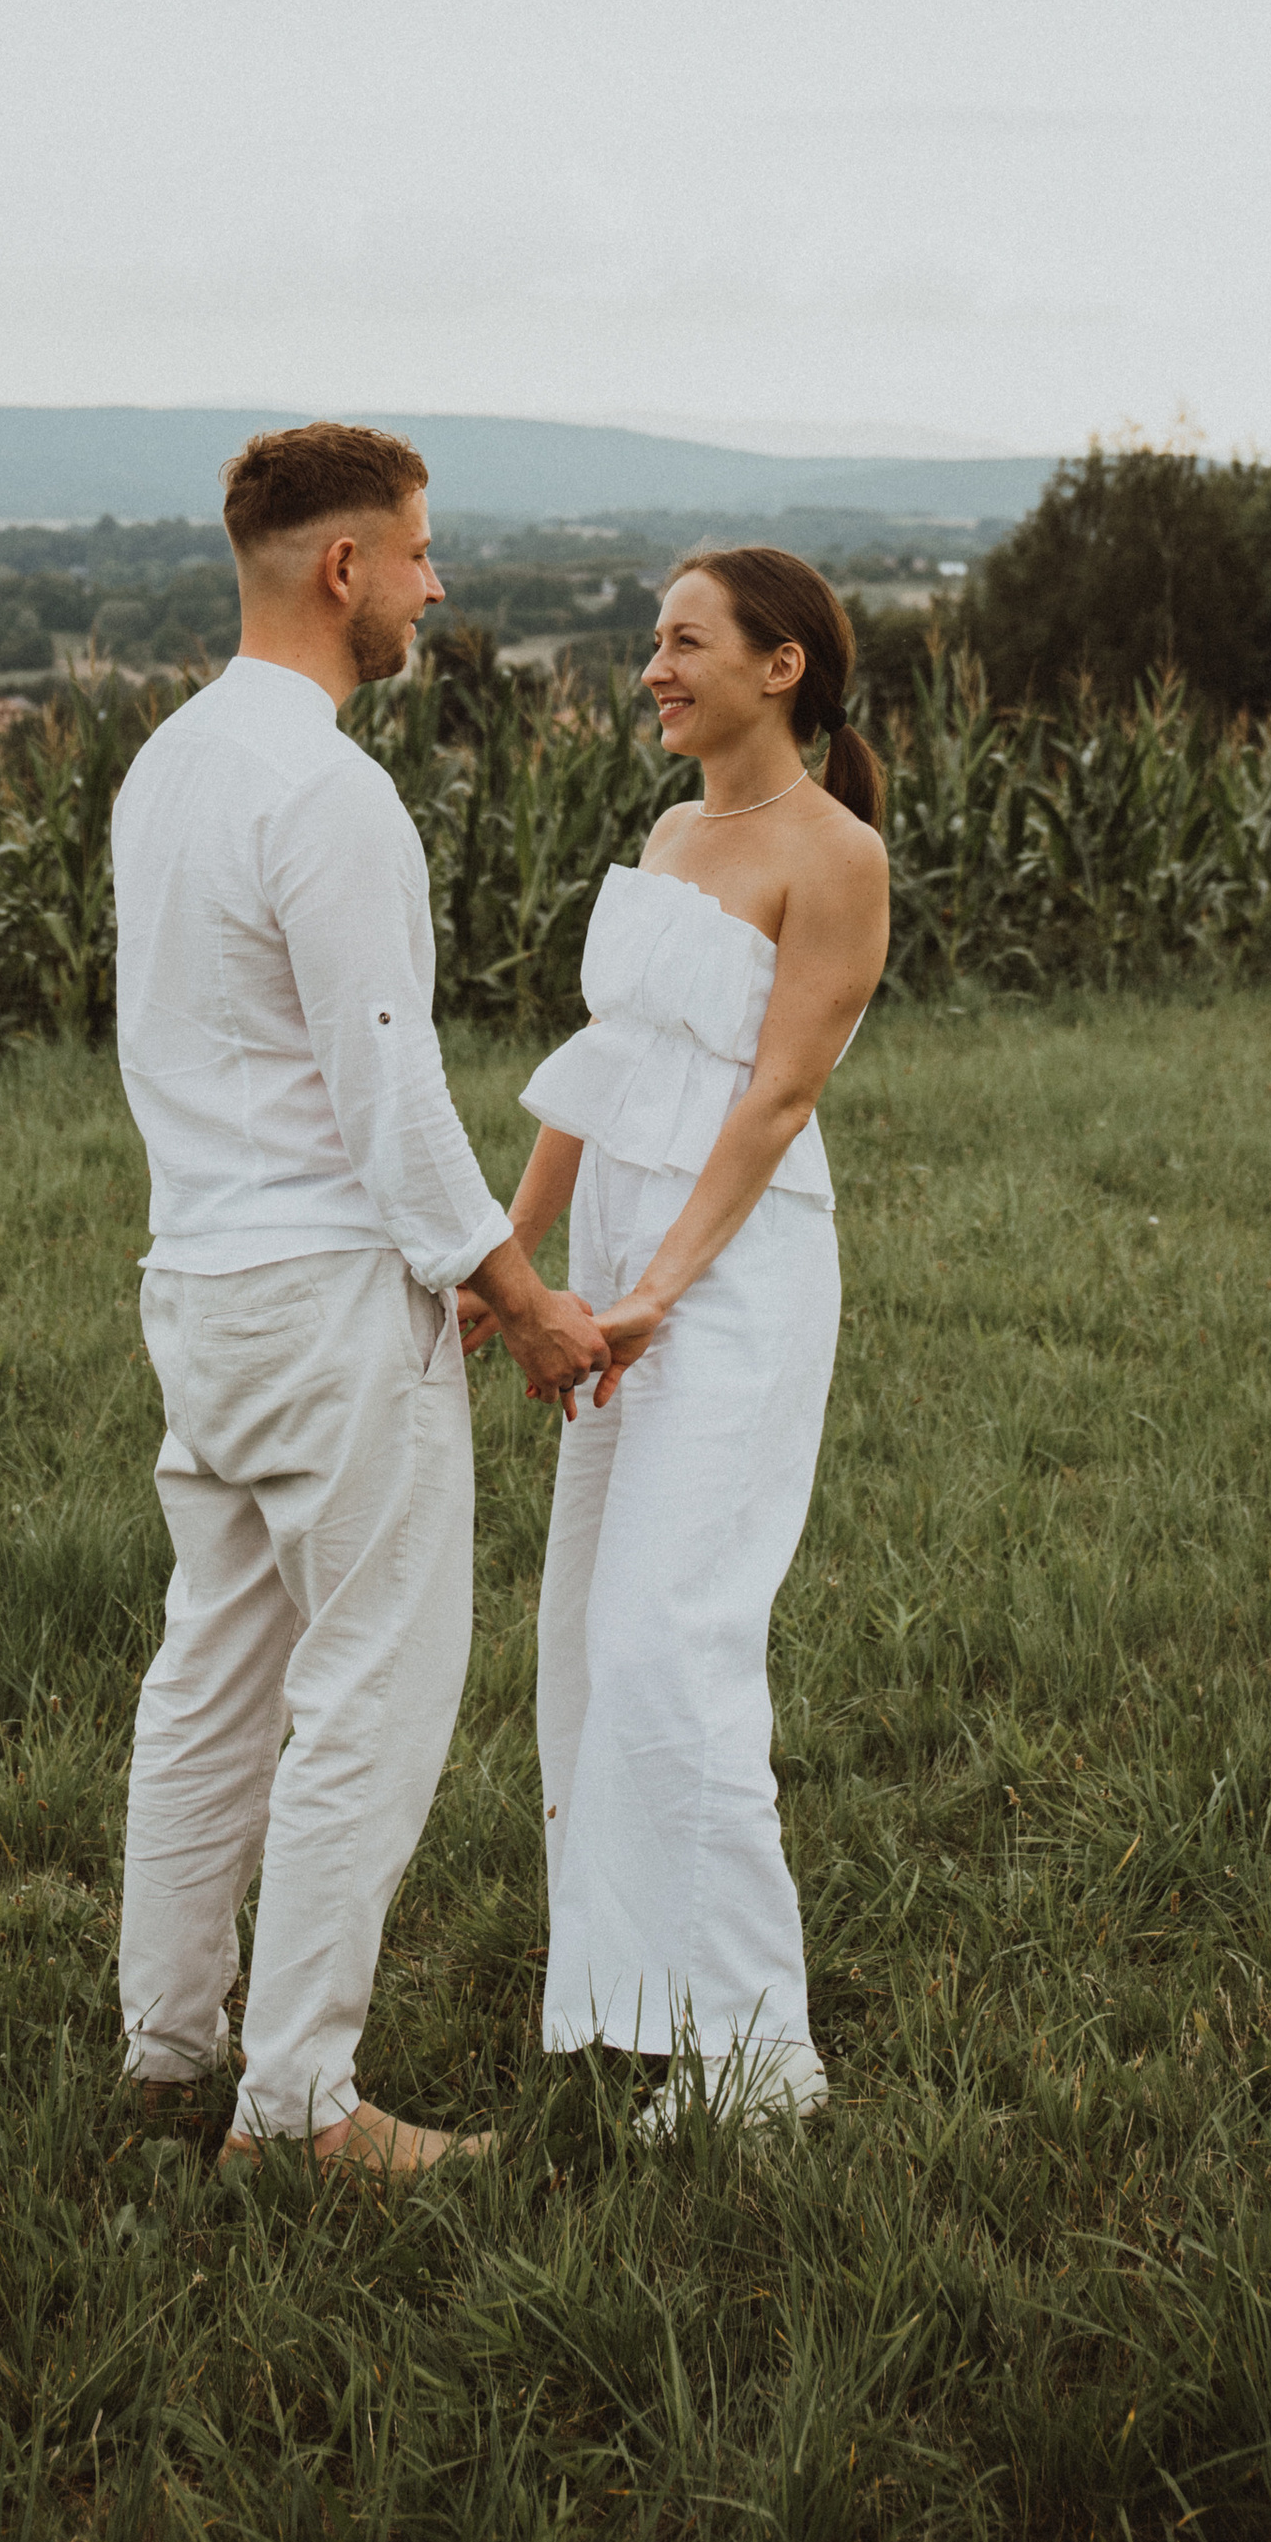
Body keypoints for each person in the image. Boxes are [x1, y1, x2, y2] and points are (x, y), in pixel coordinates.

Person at [111, 422, 607, 2181]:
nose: (433, 583)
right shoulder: (327, 792)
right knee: (371, 1696)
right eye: (418, 552)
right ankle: (301, 2108)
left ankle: (170, 2053)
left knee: (214, 1674)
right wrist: (522, 1295)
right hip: (327, 1298)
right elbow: (388, 1096)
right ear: (345, 571)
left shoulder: (168, 765)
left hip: (199, 1284)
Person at [463, 548, 891, 2124]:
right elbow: (611, 1057)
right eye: (652, 639)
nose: (653, 665)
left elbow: (778, 1096)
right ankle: (640, 2000)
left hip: (739, 1272)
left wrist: (662, 1291)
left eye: (684, 641)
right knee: (588, 1636)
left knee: (674, 1640)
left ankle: (763, 2058)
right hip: (620, 1255)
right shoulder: (667, 830)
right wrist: (514, 1248)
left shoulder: (836, 853)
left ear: (779, 667)